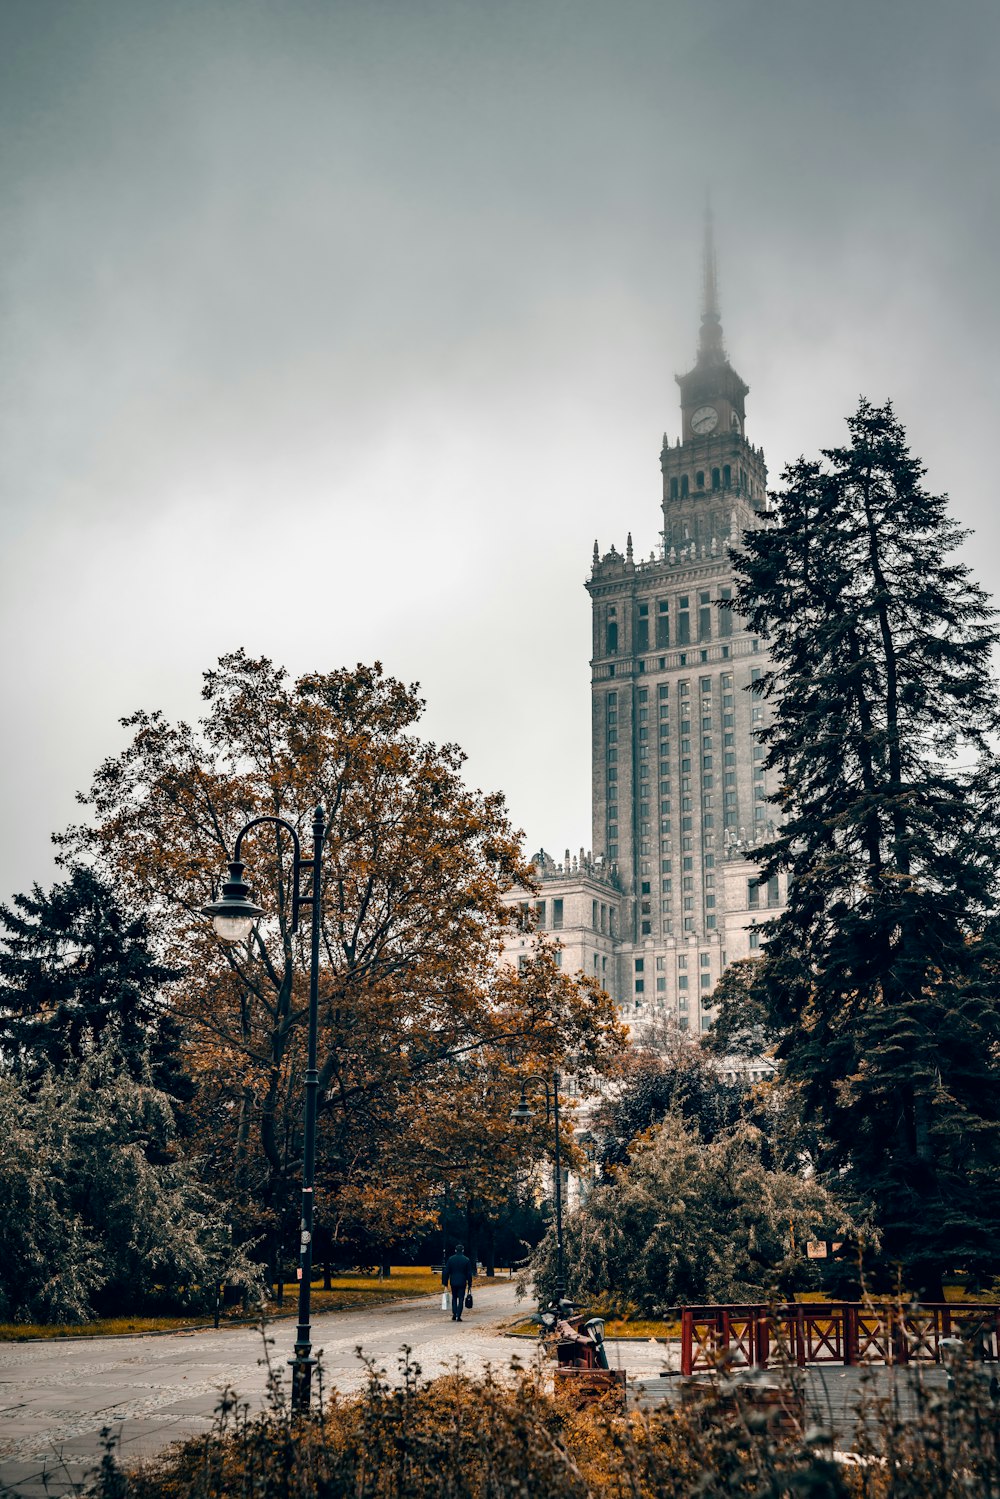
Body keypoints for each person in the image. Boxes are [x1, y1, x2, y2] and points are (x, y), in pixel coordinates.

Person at [442, 1243, 474, 1322]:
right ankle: (458, 1315)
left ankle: (454, 1313)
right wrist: (470, 1283)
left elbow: (446, 1271)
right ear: (463, 1250)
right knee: (461, 1299)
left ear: (455, 1250)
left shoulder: (451, 1259)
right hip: (462, 1282)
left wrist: (445, 1283)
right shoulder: (466, 1260)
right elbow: (469, 1274)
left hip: (453, 1281)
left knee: (454, 1298)